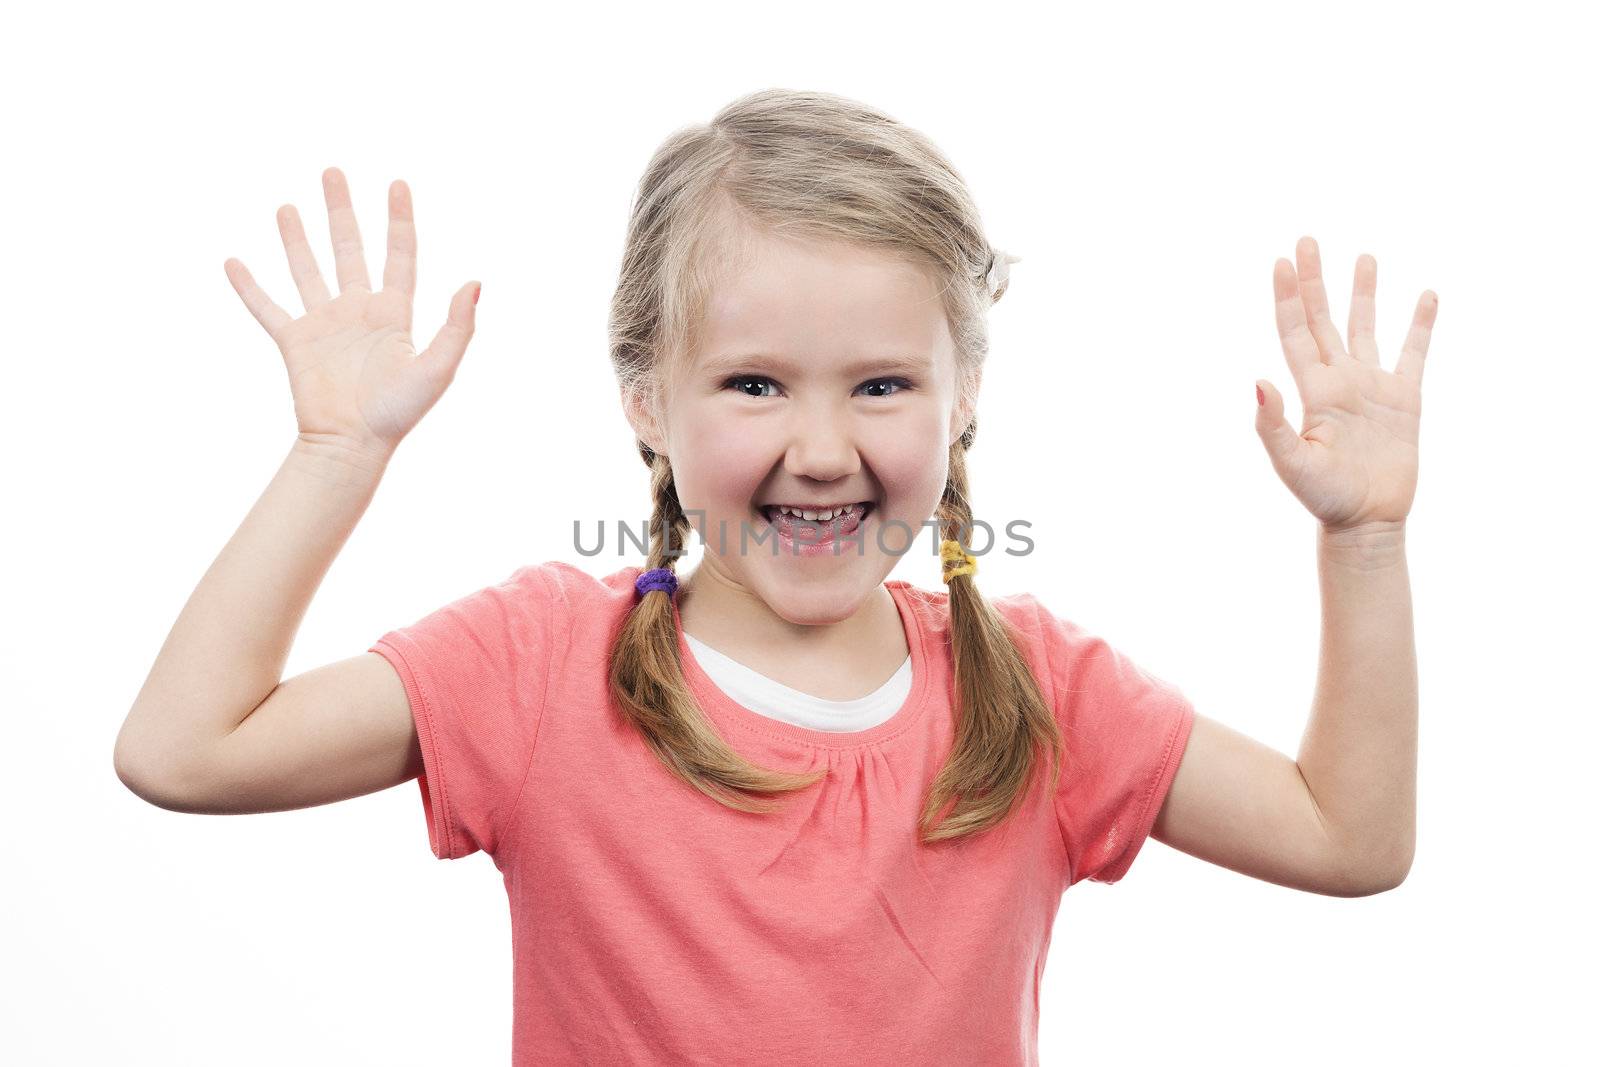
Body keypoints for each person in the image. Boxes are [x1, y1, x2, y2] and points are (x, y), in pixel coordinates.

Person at [112, 88, 1436, 1065]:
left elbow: (1347, 839)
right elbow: (186, 752)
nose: (821, 450)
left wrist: (1362, 543)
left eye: (879, 385)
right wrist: (337, 456)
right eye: (754, 384)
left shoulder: (1034, 692)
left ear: (962, 394)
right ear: (647, 400)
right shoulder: (536, 667)